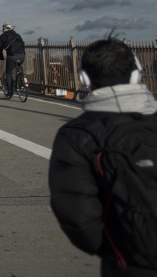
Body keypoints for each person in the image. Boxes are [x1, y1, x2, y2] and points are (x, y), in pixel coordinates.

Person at [49, 38, 157, 276]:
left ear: (85, 79)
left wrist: (114, 249)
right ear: (137, 73)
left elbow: (78, 217)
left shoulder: (76, 134)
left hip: (128, 260)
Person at [0, 23, 25, 98]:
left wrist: (1, 57)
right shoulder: (17, 35)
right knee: (19, 66)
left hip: (11, 57)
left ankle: (9, 91)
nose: (2, 30)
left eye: (3, 28)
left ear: (6, 29)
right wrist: (23, 55)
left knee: (9, 73)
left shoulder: (3, 36)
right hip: (22, 56)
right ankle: (21, 81)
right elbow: (23, 45)